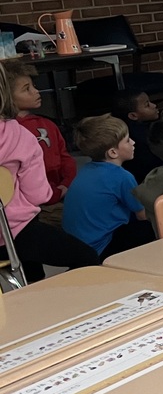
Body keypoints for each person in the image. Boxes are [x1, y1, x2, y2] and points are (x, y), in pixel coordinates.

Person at [0, 62, 99, 282]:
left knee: (28, 266)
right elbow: (39, 196)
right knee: (87, 258)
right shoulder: (19, 135)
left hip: (14, 240)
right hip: (14, 232)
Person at [63, 114, 154, 259]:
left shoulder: (86, 169)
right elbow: (142, 214)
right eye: (127, 140)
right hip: (102, 247)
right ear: (113, 152)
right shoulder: (122, 177)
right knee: (153, 226)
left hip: (78, 247)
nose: (133, 142)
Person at [3, 60, 75, 208]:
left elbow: (65, 158)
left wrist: (67, 184)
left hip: (60, 193)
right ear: (6, 96)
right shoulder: (8, 133)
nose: (36, 91)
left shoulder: (47, 124)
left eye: (33, 86)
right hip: (28, 204)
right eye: (26, 89)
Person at [111, 89, 162, 185]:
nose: (154, 105)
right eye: (147, 105)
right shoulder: (144, 136)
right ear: (133, 116)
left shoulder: (123, 129)